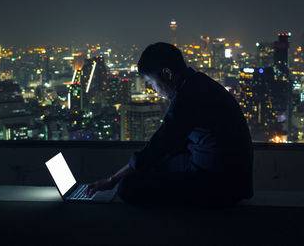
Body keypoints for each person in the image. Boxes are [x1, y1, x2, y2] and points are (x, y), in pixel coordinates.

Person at [86, 42, 253, 206]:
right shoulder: (198, 83)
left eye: (152, 83)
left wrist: (113, 179)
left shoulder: (188, 96)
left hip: (219, 184)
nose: (154, 90)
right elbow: (169, 144)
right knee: (153, 166)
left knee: (128, 187)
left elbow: (160, 144)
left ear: (167, 73)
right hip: (229, 177)